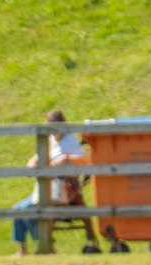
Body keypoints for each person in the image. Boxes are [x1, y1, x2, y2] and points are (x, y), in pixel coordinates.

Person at [12, 109, 99, 255]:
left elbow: (86, 161)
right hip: (46, 187)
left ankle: (46, 245)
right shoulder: (50, 140)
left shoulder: (70, 141)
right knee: (17, 210)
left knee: (27, 210)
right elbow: (36, 157)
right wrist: (32, 163)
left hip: (63, 190)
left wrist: (67, 158)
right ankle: (23, 250)